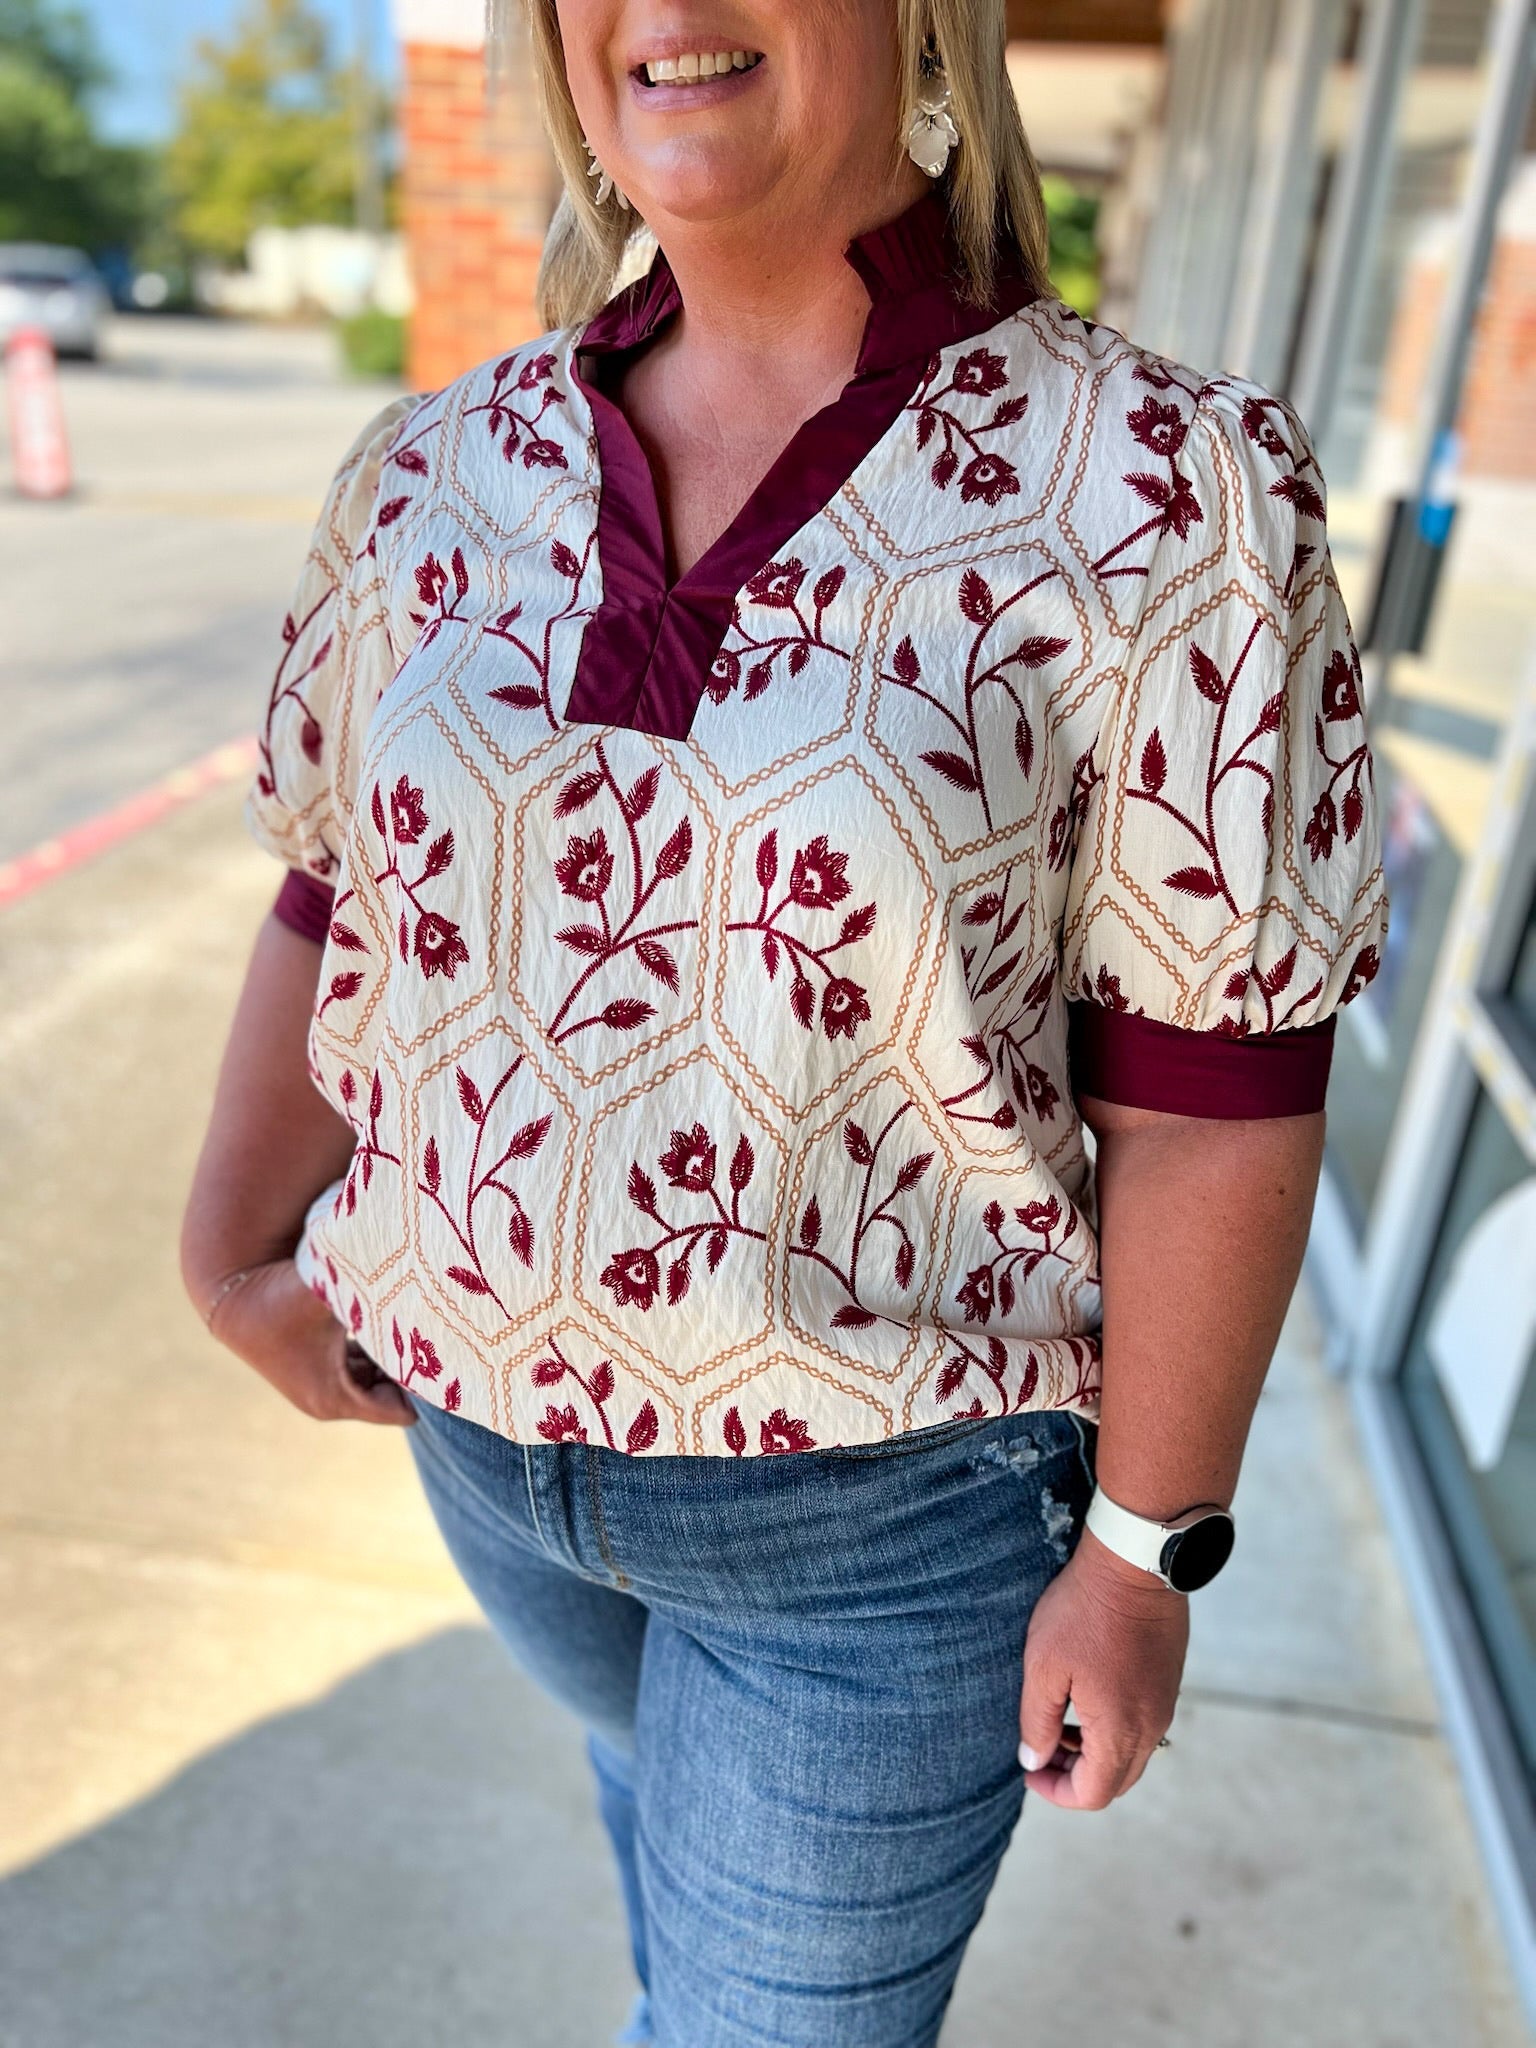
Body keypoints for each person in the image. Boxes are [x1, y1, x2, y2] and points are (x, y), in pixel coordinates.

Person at [180, 3, 1390, 2042]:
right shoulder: (430, 470)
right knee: (663, 1830)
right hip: (482, 1457)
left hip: (885, 1530)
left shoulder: (1160, 488)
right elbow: (334, 890)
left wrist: (1141, 1544)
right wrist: (231, 1248)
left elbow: (1215, 1084)